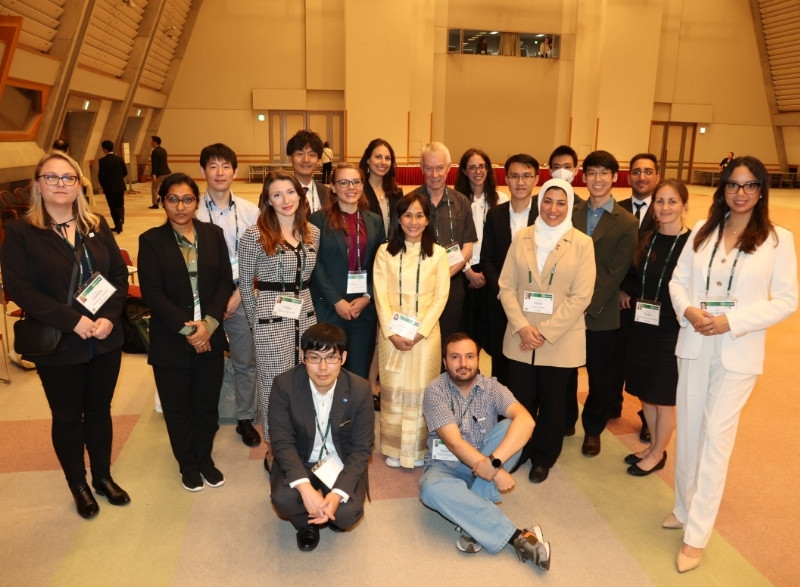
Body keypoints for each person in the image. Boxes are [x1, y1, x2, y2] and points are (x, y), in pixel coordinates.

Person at [666, 156, 797, 572]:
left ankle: (697, 533)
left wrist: (732, 321)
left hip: (737, 350)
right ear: (722, 190)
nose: (740, 193)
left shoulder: (779, 240)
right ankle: (684, 508)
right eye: (733, 185)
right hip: (695, 341)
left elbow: (788, 300)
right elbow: (678, 280)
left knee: (715, 441)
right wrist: (687, 310)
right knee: (688, 432)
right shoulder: (703, 234)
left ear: (762, 191)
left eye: (750, 185)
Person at [1, 150, 130, 519]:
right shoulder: (22, 232)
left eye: (68, 178)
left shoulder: (96, 224)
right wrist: (72, 321)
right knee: (68, 416)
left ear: (79, 185)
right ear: (38, 185)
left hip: (105, 337)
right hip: (60, 341)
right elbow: (19, 288)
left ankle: (103, 477)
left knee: (100, 411)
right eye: (52, 177)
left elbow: (119, 277)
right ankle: (78, 484)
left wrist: (108, 317)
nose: (61, 184)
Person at [418, 333, 551, 571]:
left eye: (469, 356)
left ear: (478, 360)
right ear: (445, 361)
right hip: (447, 466)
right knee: (429, 488)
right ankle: (518, 536)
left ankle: (470, 518)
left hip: (488, 459)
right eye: (455, 357)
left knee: (512, 426)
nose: (463, 363)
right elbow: (455, 444)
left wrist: (494, 463)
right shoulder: (434, 391)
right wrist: (495, 472)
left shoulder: (492, 387)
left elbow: (527, 421)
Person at [138, 173, 233, 491]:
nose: (180, 206)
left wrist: (208, 326)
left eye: (187, 199)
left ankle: (205, 459)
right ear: (162, 201)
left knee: (206, 405)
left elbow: (223, 282)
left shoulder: (213, 234)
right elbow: (151, 292)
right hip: (171, 340)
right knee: (178, 407)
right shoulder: (151, 240)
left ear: (197, 201)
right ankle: (187, 464)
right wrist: (188, 330)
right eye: (172, 199)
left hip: (210, 333)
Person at [498, 178, 595, 483]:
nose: (553, 209)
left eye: (561, 202)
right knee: (521, 401)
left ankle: (543, 457)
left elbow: (582, 295)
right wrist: (524, 327)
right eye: (548, 201)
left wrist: (545, 331)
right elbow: (506, 285)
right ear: (540, 204)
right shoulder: (522, 237)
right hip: (520, 337)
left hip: (561, 339)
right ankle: (519, 451)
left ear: (569, 206)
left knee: (554, 405)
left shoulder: (582, 243)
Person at [268, 323, 374, 552]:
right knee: (283, 499)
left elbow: (361, 449)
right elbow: (282, 443)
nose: (323, 367)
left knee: (346, 515)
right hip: (301, 459)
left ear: (343, 358)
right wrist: (306, 491)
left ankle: (325, 511)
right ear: (303, 357)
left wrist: (336, 495)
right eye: (314, 358)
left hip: (339, 461)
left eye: (331, 358)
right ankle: (308, 524)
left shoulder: (360, 389)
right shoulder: (283, 386)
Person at [239, 171, 320, 467]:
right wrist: (255, 321)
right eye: (277, 194)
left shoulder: (312, 232)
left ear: (300, 195)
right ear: (268, 200)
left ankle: (300, 442)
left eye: (290, 192)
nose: (285, 200)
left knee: (304, 384)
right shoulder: (254, 235)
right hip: (270, 321)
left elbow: (307, 278)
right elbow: (246, 284)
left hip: (306, 317)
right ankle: (274, 448)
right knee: (275, 387)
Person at [373, 193, 450, 468]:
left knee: (422, 389)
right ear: (399, 219)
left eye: (419, 215)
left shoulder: (439, 253)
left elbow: (441, 297)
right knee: (393, 388)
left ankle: (418, 449)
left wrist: (420, 333)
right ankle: (394, 447)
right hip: (392, 332)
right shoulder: (385, 252)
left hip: (426, 335)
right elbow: (380, 294)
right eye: (407, 215)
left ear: (428, 219)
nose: (413, 221)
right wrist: (392, 333)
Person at [570, 150, 638, 456]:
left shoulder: (626, 222)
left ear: (614, 177)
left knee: (600, 376)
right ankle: (565, 419)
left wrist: (588, 304)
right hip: (567, 309)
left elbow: (616, 271)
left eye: (603, 173)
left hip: (601, 311)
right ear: (583, 178)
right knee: (565, 371)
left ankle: (593, 430)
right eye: (591, 173)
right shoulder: (571, 214)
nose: (597, 179)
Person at [622, 178, 691, 477]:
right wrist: (627, 290)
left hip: (671, 330)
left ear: (684, 206)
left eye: (672, 201)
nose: (664, 207)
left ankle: (658, 452)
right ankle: (652, 448)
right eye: (660, 201)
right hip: (642, 324)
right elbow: (637, 275)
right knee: (644, 393)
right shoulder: (647, 238)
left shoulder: (692, 245)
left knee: (663, 397)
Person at [194, 143, 261, 448]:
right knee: (206, 362)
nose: (219, 172)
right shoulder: (191, 210)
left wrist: (239, 295)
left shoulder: (250, 211)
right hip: (203, 301)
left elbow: (262, 256)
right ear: (203, 171)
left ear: (235, 171)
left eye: (225, 166)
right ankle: (205, 418)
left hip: (241, 295)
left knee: (245, 361)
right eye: (212, 166)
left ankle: (245, 418)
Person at [309, 163, 385, 378]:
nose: (350, 187)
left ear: (362, 185)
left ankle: (354, 413)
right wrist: (336, 300)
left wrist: (368, 296)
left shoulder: (374, 221)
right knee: (329, 370)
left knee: (358, 373)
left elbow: (380, 265)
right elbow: (315, 264)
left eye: (355, 181)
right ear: (332, 187)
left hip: (363, 310)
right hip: (329, 309)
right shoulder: (317, 220)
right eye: (343, 182)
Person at [411, 142, 477, 346]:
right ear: (422, 168)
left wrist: (442, 275)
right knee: (421, 342)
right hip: (418, 287)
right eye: (429, 168)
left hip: (453, 287)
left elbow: (467, 247)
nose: (434, 174)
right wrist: (430, 277)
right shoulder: (410, 201)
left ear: (449, 168)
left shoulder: (462, 202)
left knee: (448, 340)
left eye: (439, 168)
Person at [481, 154, 539, 385]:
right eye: (515, 176)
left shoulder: (545, 215)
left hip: (534, 302)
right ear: (506, 179)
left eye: (526, 176)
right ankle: (502, 412)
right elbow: (487, 259)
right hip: (501, 301)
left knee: (530, 357)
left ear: (536, 179)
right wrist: (504, 292)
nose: (521, 182)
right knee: (501, 359)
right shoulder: (495, 215)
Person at [614, 153, 661, 442]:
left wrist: (630, 289)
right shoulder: (616, 210)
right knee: (615, 354)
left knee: (647, 361)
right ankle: (611, 403)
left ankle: (648, 416)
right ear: (628, 176)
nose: (641, 177)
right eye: (636, 172)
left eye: (648, 171)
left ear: (657, 176)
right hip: (618, 299)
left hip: (649, 301)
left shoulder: (666, 210)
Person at [454, 148, 508, 347]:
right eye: (472, 167)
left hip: (492, 271)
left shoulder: (502, 200)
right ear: (465, 171)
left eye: (482, 166)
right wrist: (468, 271)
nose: (478, 171)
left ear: (488, 170)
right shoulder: (456, 200)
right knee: (465, 329)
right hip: (462, 272)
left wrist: (488, 272)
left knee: (491, 329)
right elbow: (451, 241)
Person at [359, 138, 403, 234]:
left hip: (393, 248)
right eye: (378, 157)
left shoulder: (397, 193)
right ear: (367, 160)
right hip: (369, 248)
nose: (383, 162)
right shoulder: (359, 192)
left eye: (387, 158)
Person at [287, 130, 329, 214]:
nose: (306, 160)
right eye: (300, 154)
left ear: (319, 160)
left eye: (312, 155)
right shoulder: (275, 192)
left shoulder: (328, 194)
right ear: (290, 158)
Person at [97, 140, 127, 234]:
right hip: (120, 186)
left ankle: (117, 225)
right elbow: (125, 172)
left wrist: (103, 185)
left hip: (109, 188)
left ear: (105, 149)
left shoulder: (103, 161)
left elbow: (101, 176)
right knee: (120, 205)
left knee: (113, 207)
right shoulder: (119, 159)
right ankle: (121, 220)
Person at [149, 135, 172, 209]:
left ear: (155, 142)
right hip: (167, 172)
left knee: (154, 188)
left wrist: (154, 174)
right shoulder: (163, 150)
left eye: (151, 141)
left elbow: (155, 164)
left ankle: (155, 204)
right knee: (165, 188)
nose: (151, 143)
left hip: (159, 173)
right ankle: (162, 199)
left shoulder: (155, 152)